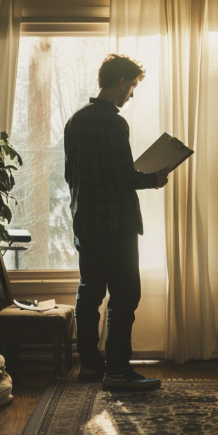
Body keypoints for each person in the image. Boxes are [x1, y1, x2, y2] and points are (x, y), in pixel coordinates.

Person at [64, 54, 169, 391]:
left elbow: (71, 176)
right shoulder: (113, 122)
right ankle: (119, 371)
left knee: (89, 294)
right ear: (121, 82)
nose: (132, 95)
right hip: (117, 226)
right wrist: (154, 178)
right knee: (125, 297)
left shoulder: (75, 121)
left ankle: (91, 366)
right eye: (133, 86)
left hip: (86, 223)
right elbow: (123, 176)